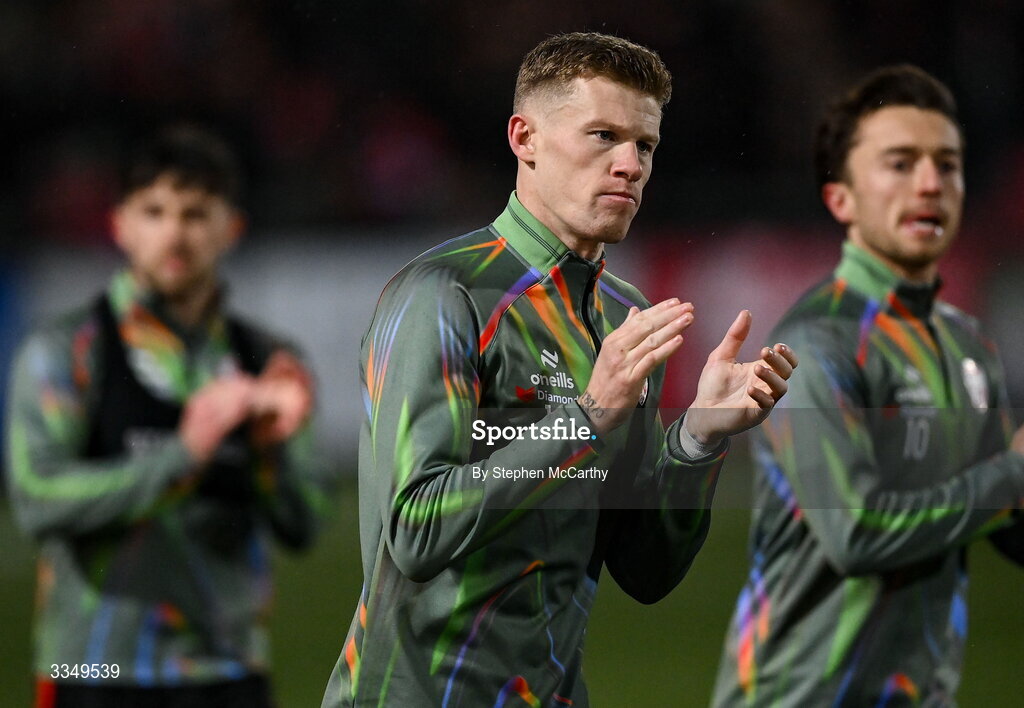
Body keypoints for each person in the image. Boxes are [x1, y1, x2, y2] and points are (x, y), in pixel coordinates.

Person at [321, 32, 798, 708]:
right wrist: (584, 421)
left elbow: (645, 570)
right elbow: (414, 530)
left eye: (646, 146)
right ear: (525, 138)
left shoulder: (621, 320)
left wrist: (698, 439)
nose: (629, 165)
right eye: (603, 135)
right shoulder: (445, 295)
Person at [712, 65, 1024, 707]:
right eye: (901, 163)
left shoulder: (968, 345)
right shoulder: (816, 344)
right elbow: (855, 534)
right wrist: (1012, 475)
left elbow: (1003, 517)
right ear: (841, 200)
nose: (931, 183)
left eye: (948, 163)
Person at [5, 125, 327, 707]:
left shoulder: (268, 363)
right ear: (119, 225)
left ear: (232, 229)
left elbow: (304, 526)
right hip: (95, 674)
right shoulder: (66, 351)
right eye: (154, 212)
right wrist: (186, 454)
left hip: (224, 673)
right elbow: (37, 500)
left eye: (197, 214)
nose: (175, 234)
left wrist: (270, 449)